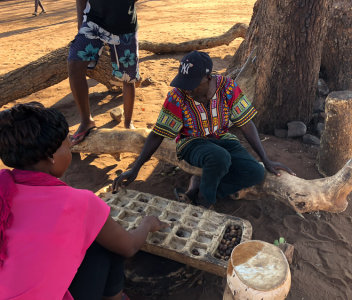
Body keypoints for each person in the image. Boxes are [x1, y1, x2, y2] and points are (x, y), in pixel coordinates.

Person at [0, 102, 168, 300]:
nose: (71, 145)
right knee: (106, 243)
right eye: (66, 143)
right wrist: (147, 224)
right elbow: (128, 246)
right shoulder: (79, 202)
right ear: (50, 156)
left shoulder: (5, 189)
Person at [113, 51, 295, 208]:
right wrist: (135, 168)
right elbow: (157, 134)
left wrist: (265, 159)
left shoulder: (228, 88)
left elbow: (246, 123)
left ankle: (199, 189)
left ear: (208, 78)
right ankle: (203, 202)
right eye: (184, 82)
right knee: (219, 157)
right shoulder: (177, 96)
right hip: (191, 143)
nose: (187, 89)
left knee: (256, 172)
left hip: (223, 139)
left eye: (192, 84)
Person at [68, 0, 140, 145]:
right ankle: (86, 121)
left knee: (128, 78)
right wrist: (81, 25)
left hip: (124, 25)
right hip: (94, 22)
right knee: (74, 65)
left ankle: (128, 123)